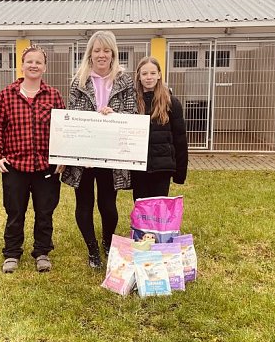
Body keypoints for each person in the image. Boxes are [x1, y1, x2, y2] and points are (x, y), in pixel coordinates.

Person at [61, 30, 137, 269]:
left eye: (106, 50)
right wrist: (79, 151)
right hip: (83, 157)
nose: (101, 55)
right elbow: (72, 117)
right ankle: (92, 249)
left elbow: (133, 115)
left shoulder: (126, 80)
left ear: (113, 52)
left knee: (108, 203)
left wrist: (115, 116)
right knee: (84, 203)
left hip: (111, 155)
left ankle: (107, 242)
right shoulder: (79, 81)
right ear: (90, 54)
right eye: (97, 50)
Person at [0, 45, 65, 273]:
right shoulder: (7, 94)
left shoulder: (53, 95)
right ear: (21, 66)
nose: (34, 65)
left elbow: (63, 129)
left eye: (38, 62)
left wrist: (63, 157)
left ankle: (42, 252)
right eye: (29, 61)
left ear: (45, 67)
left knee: (45, 212)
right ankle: (12, 253)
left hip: (46, 167)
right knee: (15, 212)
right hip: (15, 166)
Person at [132, 56, 188, 199]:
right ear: (138, 76)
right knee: (142, 208)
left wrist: (180, 173)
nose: (148, 77)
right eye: (144, 74)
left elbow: (180, 139)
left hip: (162, 168)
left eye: (152, 73)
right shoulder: (131, 102)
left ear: (159, 75)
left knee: (158, 211)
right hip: (139, 168)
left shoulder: (171, 102)